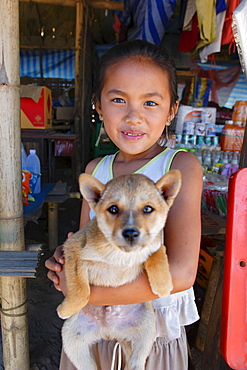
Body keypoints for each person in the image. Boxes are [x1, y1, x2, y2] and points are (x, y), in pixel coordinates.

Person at [45, 39, 203, 370]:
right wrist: (65, 259)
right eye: (118, 100)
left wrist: (88, 294)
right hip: (92, 331)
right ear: (99, 106)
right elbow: (88, 241)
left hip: (147, 333)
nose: (133, 117)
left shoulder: (180, 167)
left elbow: (182, 273)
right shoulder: (96, 172)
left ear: (172, 109)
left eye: (150, 103)